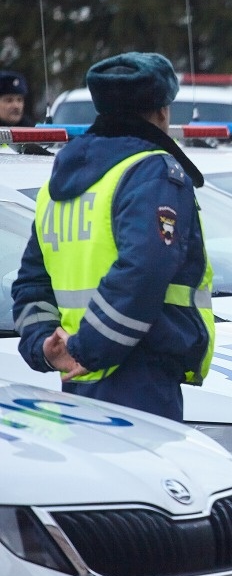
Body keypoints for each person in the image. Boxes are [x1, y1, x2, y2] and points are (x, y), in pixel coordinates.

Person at [11, 52, 215, 422]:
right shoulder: (151, 172)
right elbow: (144, 270)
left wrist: (45, 345)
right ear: (162, 112)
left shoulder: (57, 184)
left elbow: (30, 282)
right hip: (139, 375)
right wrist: (87, 350)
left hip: (76, 375)